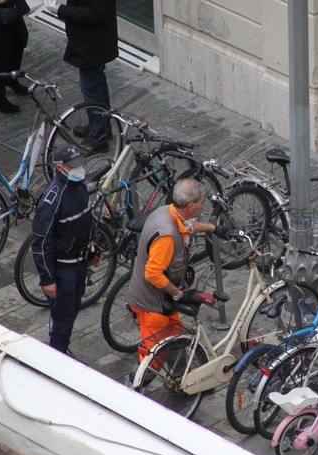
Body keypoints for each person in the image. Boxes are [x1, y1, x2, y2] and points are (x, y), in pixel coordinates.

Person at [127, 179, 228, 366]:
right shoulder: (167, 235)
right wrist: (180, 294)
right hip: (153, 305)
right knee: (153, 359)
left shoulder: (169, 212)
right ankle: (134, 389)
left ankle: (180, 378)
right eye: (201, 203)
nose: (202, 206)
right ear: (190, 205)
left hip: (163, 300)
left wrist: (214, 228)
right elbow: (152, 274)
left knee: (177, 338)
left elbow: (188, 226)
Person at [31, 143, 97, 355]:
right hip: (63, 271)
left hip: (79, 264)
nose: (80, 170)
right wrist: (48, 279)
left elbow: (86, 220)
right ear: (60, 168)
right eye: (74, 166)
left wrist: (94, 247)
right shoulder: (52, 200)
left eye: (80, 164)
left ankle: (61, 350)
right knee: (61, 319)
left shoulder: (79, 187)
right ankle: (56, 358)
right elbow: (41, 243)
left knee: (71, 312)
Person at [43, 0, 118, 152]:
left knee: (92, 89)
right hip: (91, 42)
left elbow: (97, 13)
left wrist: (61, 10)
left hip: (92, 44)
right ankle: (101, 127)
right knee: (96, 84)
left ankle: (98, 136)